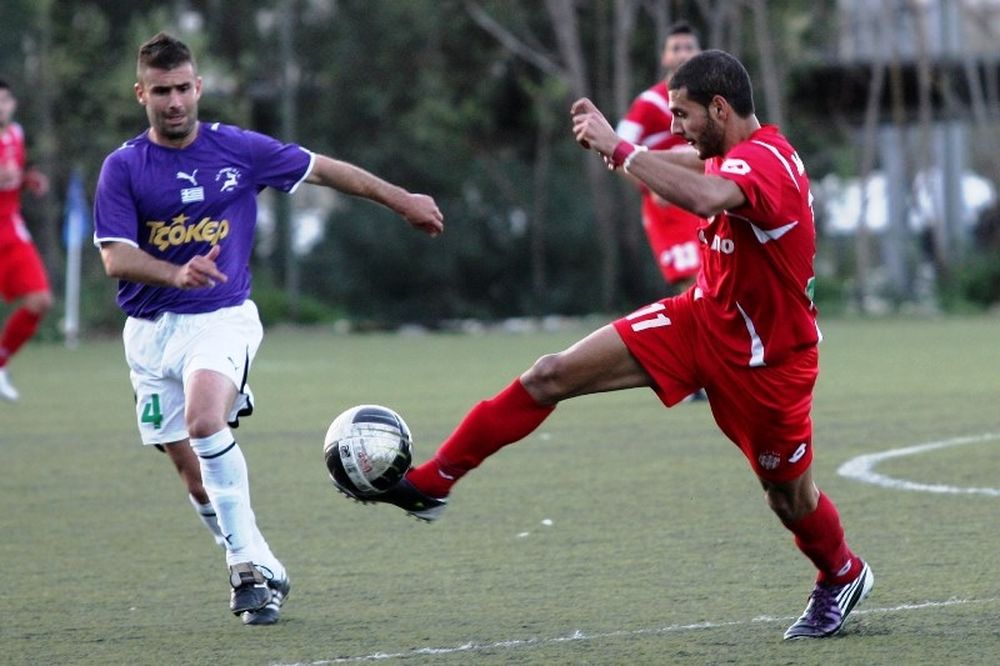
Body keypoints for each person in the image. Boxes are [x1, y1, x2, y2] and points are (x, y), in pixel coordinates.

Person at [340, 50, 873, 641]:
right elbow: (684, 169)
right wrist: (618, 151)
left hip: (768, 363)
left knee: (788, 497)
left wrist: (620, 148)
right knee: (550, 374)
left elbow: (703, 196)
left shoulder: (767, 163)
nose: (675, 126)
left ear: (720, 107)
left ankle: (842, 572)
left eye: (684, 114)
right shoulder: (731, 155)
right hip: (699, 320)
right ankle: (432, 483)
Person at [93, 32, 444, 626]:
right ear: (141, 94)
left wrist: (400, 198)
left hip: (222, 319)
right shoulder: (124, 167)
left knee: (206, 421)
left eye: (183, 88)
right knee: (194, 478)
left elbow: (326, 172)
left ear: (198, 88)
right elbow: (115, 257)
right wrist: (174, 271)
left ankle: (245, 574)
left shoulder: (239, 150)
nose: (174, 101)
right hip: (149, 334)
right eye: (161, 91)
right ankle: (257, 559)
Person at [616, 21, 704, 290]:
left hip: (708, 196)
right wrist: (651, 185)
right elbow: (616, 149)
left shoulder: (710, 101)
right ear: (665, 57)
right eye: (676, 48)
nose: (683, 53)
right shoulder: (649, 103)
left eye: (689, 47)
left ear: (700, 54)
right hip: (669, 206)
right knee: (693, 282)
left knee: (720, 278)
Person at [0, 79, 52, 402]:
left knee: (40, 300)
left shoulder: (16, 134)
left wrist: (28, 179)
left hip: (10, 230)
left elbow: (12, 178)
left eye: (4, 99)